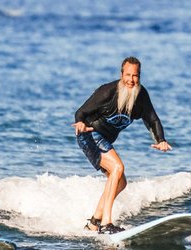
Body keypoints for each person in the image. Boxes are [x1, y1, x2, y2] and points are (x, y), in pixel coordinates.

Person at [74, 56, 172, 234]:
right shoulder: (108, 91)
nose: (131, 80)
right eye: (128, 75)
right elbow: (81, 111)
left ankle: (94, 222)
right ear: (121, 74)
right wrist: (80, 122)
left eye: (135, 76)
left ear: (139, 76)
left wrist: (161, 140)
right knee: (118, 168)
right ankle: (107, 223)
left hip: (105, 140)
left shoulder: (140, 96)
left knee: (122, 182)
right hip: (89, 135)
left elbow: (152, 119)